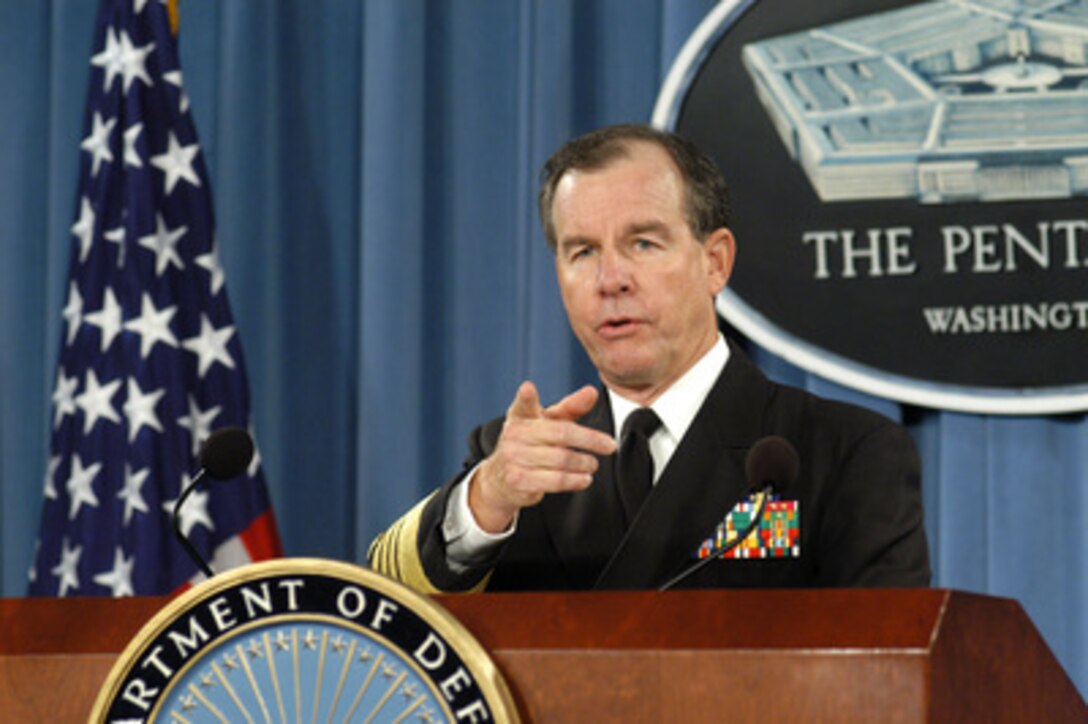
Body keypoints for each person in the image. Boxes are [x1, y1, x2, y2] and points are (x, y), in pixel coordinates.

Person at [368, 124, 930, 593]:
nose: (611, 280)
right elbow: (387, 609)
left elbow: (887, 681)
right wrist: (487, 497)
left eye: (643, 243)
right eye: (582, 251)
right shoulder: (519, 463)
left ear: (716, 262)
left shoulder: (845, 454)